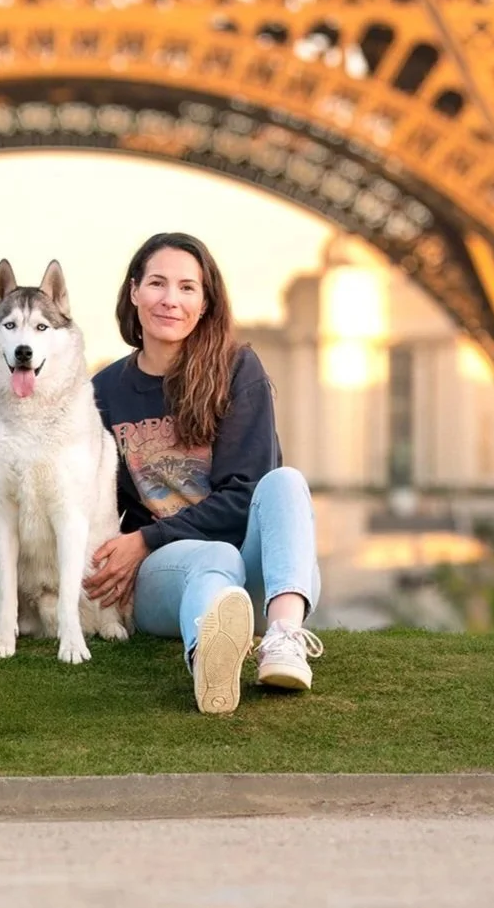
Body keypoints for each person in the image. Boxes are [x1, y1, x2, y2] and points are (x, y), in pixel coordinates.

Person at [87, 232, 323, 715]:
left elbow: (245, 496)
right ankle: (208, 657)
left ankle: (282, 637)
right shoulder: (103, 391)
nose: (170, 300)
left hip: (253, 570)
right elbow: (86, 496)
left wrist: (146, 537)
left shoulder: (238, 369)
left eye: (187, 287)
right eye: (157, 283)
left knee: (285, 481)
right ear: (133, 292)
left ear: (205, 300)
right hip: (166, 579)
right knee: (212, 556)